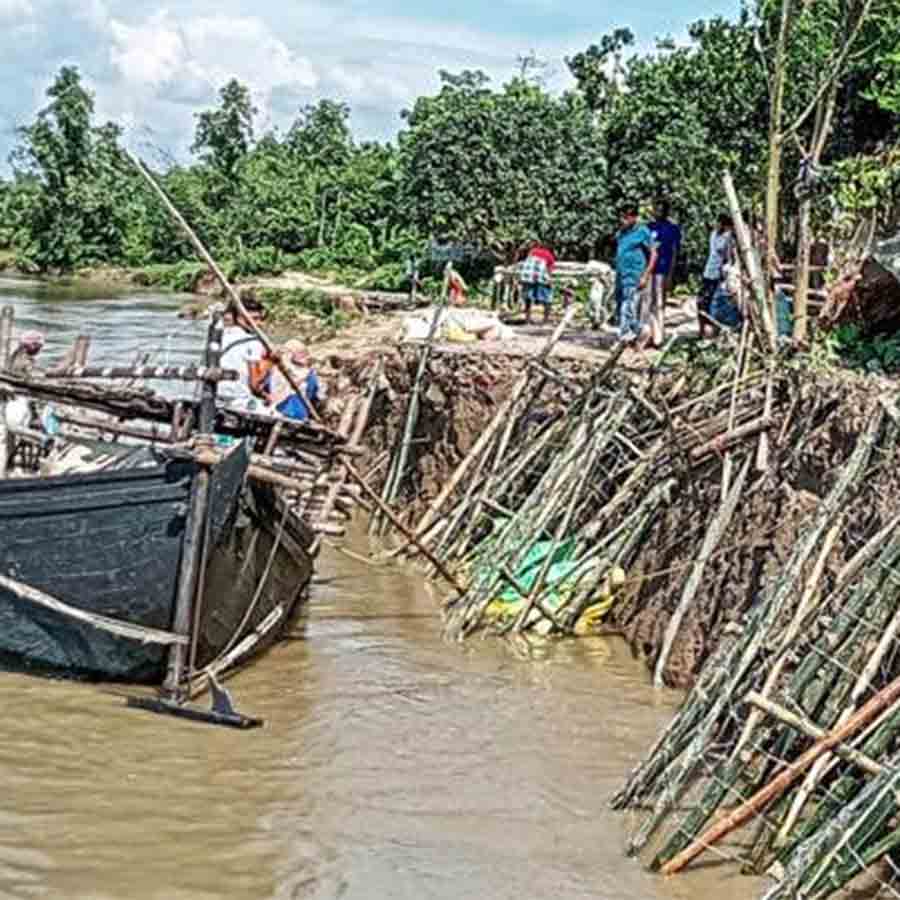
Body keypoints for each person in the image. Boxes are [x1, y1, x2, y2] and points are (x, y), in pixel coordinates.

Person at [614, 205, 658, 345]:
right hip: (621, 274)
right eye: (621, 217)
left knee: (628, 305)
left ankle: (625, 335)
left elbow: (654, 254)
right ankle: (639, 330)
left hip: (634, 274)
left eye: (626, 218)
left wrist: (646, 275)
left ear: (634, 218)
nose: (622, 220)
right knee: (620, 305)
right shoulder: (621, 233)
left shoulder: (643, 231)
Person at [644, 200, 682, 348]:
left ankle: (659, 338)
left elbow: (674, 252)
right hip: (649, 270)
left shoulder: (673, 229)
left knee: (659, 303)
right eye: (656, 209)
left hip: (663, 270)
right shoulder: (649, 227)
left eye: (660, 210)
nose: (657, 212)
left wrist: (670, 275)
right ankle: (648, 335)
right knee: (647, 303)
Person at [219, 299, 268, 412]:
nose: (259, 323)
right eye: (255, 319)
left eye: (260, 319)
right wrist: (271, 362)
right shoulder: (253, 342)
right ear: (240, 319)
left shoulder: (220, 335)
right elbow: (254, 385)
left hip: (215, 395)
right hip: (239, 400)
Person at [264, 339, 326, 422]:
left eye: (304, 353)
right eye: (301, 353)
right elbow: (315, 395)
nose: (305, 356)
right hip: (291, 412)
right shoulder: (307, 374)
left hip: (288, 412)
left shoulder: (276, 370)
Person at [700, 215, 735, 338]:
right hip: (709, 271)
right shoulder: (714, 234)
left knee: (716, 303)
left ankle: (714, 330)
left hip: (719, 274)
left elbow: (729, 256)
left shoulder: (729, 237)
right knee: (704, 301)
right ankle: (704, 330)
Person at [519, 240, 556, 324]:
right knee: (547, 298)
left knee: (528, 298)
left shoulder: (532, 252)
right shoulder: (549, 255)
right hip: (540, 277)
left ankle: (527, 319)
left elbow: (527, 265)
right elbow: (549, 270)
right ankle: (545, 320)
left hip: (528, 277)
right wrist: (549, 281)